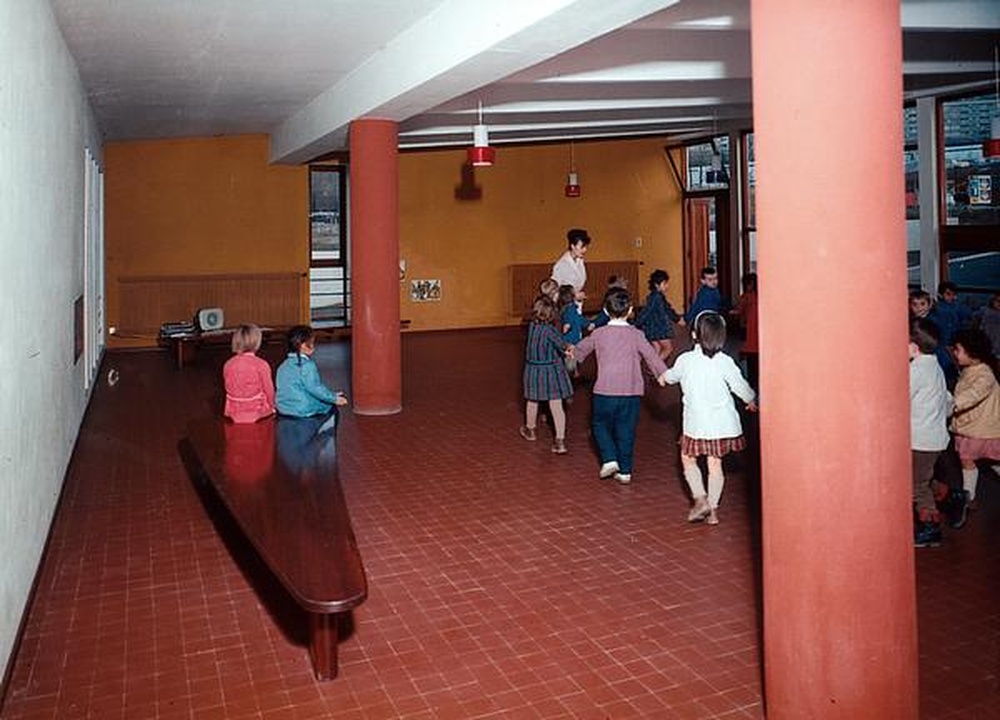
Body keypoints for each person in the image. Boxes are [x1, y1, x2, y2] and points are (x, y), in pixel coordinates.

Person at [664, 311, 757, 525]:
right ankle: (713, 511)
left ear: (695, 335)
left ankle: (700, 498)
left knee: (688, 458)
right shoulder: (725, 361)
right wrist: (750, 399)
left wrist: (662, 377)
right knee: (715, 466)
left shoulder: (686, 360)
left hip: (696, 424)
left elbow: (671, 376)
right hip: (722, 425)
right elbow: (740, 385)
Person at [570, 288, 668, 484]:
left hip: (604, 391)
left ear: (605, 310)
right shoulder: (637, 335)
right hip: (631, 392)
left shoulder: (599, 333)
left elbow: (580, 351)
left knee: (599, 425)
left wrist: (570, 354)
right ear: (630, 309)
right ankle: (625, 471)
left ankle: (609, 458)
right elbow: (651, 356)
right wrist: (664, 375)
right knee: (626, 430)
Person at [909, 318, 953, 547]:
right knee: (920, 476)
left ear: (912, 346)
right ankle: (949, 494)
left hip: (921, 439)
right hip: (934, 437)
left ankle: (930, 528)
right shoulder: (934, 366)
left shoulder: (915, 370)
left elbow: (900, 397)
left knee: (916, 485)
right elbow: (948, 401)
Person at [949, 328, 1000, 514]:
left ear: (972, 353)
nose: (955, 353)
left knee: (987, 461)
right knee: (968, 460)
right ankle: (968, 497)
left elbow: (974, 393)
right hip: (972, 426)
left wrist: (954, 404)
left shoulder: (984, 373)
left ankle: (968, 497)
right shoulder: (969, 369)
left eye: (958, 349)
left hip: (983, 428)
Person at [520, 295, 573, 454]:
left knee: (532, 400)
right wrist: (568, 348)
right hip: (550, 371)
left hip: (532, 369)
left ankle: (530, 430)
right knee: (556, 405)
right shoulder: (550, 330)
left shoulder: (531, 327)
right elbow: (562, 346)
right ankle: (560, 441)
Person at [275, 326, 348, 431]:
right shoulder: (307, 365)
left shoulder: (283, 365)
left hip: (283, 407)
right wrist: (334, 398)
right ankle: (327, 440)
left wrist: (329, 393)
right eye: (312, 342)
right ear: (303, 345)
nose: (314, 346)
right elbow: (315, 388)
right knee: (330, 407)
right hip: (302, 408)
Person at [222, 323, 276, 424]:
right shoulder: (261, 364)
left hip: (233, 411)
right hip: (256, 411)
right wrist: (273, 405)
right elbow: (269, 390)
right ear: (257, 341)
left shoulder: (228, 363)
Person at [634, 269, 684, 361]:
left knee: (657, 350)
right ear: (657, 285)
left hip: (652, 328)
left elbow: (667, 309)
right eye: (664, 283)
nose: (667, 286)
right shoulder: (656, 297)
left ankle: (653, 371)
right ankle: (657, 368)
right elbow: (647, 312)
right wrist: (636, 324)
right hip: (657, 329)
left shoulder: (655, 296)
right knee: (668, 349)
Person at [730, 272, 759, 389]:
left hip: (749, 333)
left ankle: (752, 385)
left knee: (751, 364)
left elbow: (738, 311)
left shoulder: (747, 297)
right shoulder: (762, 295)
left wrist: (729, 312)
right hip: (759, 335)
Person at [551, 228, 591, 306]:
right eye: (582, 247)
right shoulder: (561, 265)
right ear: (572, 246)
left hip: (576, 305)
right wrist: (573, 296)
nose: (585, 250)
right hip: (564, 306)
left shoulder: (580, 261)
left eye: (586, 247)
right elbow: (554, 293)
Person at [558, 284, 591, 375]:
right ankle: (568, 374)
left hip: (569, 338)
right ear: (571, 296)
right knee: (570, 361)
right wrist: (588, 324)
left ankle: (573, 372)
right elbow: (578, 319)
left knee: (571, 357)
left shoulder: (565, 308)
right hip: (572, 339)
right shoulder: (571, 309)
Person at [974, 292, 1000, 359]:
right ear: (993, 301)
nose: (999, 303)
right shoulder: (985, 311)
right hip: (986, 348)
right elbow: (973, 317)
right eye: (998, 301)